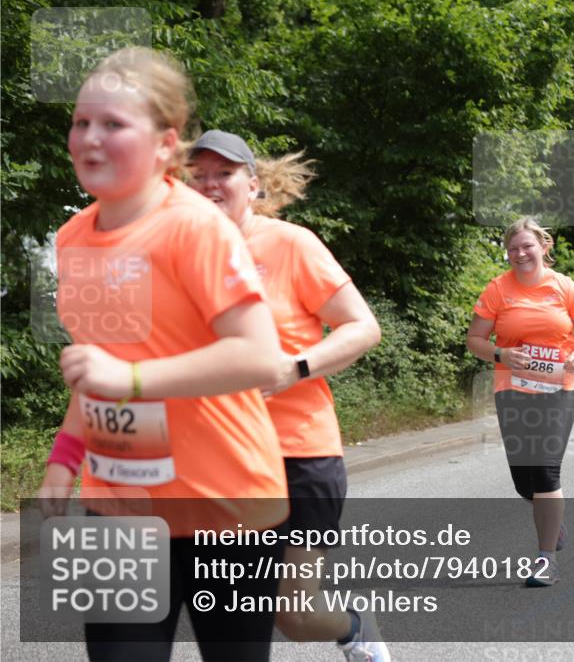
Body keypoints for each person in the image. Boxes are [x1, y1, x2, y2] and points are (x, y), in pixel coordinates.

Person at [39, 47, 289, 661]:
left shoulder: (195, 227)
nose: (90, 138)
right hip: (119, 500)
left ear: (163, 143)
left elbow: (260, 356)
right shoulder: (73, 238)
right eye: (80, 122)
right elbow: (95, 366)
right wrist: (64, 461)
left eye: (113, 124)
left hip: (225, 502)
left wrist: (129, 377)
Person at [187, 131, 388, 660]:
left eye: (223, 173)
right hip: (219, 465)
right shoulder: (178, 255)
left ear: (251, 185)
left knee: (294, 614)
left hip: (299, 454)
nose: (209, 184)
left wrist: (294, 368)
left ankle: (354, 629)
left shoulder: (290, 244)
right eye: (198, 174)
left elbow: (362, 327)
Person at [466, 217, 574, 587]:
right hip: (512, 389)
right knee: (524, 481)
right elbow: (475, 339)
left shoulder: (565, 288)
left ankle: (545, 559)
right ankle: (552, 523)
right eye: (512, 249)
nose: (520, 254)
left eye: (527, 246)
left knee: (545, 470)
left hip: (559, 387)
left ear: (545, 246)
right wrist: (501, 355)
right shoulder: (497, 289)